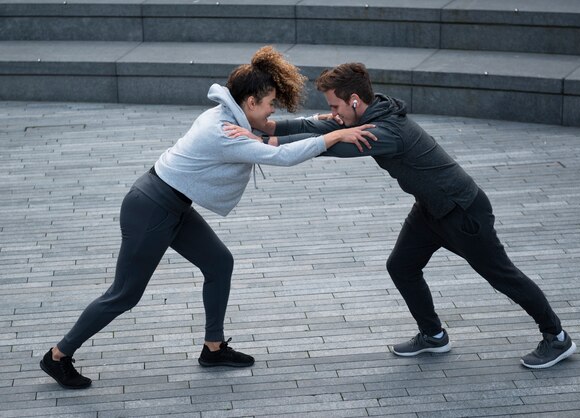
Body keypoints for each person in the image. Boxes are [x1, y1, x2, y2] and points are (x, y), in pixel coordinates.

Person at [39, 47, 376, 389]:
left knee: (218, 263)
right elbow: (282, 155)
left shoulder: (227, 117)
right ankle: (58, 355)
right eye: (270, 102)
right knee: (124, 294)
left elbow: (274, 129)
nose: (273, 109)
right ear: (250, 104)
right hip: (151, 209)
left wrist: (320, 123)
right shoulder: (224, 133)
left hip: (170, 204)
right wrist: (334, 135)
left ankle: (213, 348)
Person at [237, 62, 576, 369]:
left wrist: (269, 142)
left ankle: (557, 337)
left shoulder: (386, 132)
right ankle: (433, 336)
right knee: (401, 265)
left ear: (355, 100)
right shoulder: (369, 113)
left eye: (335, 106)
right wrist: (266, 127)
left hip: (462, 211)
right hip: (430, 210)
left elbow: (331, 146)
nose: (332, 113)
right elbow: (318, 126)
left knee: (501, 275)